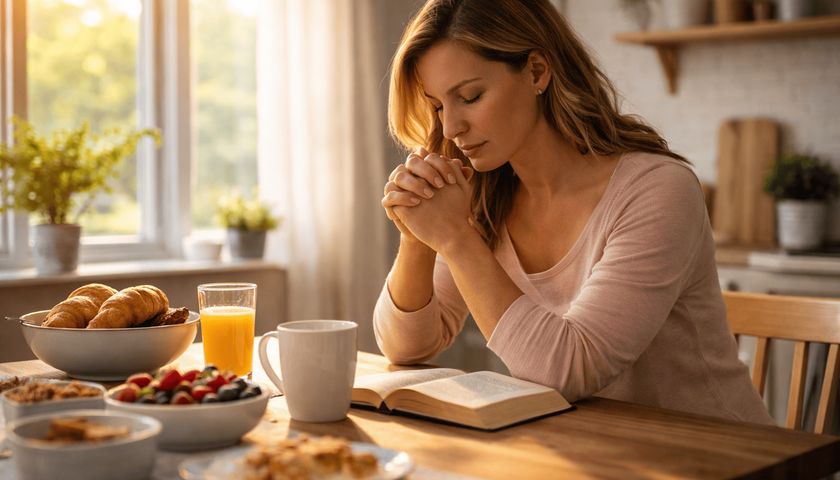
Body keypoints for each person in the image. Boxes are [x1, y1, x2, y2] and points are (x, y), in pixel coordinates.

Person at [374, 0, 773, 424]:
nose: (451, 127)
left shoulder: (657, 189)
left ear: (536, 72)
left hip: (717, 448)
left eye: (470, 97)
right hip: (589, 447)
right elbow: (406, 348)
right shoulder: (485, 196)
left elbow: (569, 369)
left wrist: (455, 238)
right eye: (438, 106)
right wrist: (417, 236)